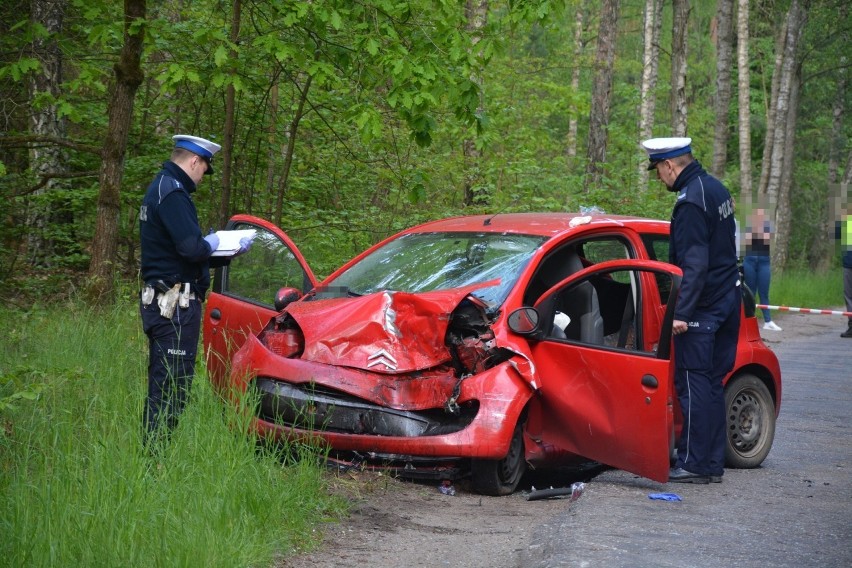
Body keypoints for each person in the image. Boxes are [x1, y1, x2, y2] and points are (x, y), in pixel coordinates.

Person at [138, 134, 251, 449]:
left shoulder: (161, 188)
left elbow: (179, 255)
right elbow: (190, 248)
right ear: (193, 162)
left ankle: (157, 453)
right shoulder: (172, 193)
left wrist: (223, 253)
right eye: (203, 169)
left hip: (165, 297)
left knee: (170, 379)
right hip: (173, 301)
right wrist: (211, 243)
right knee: (172, 384)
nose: (202, 178)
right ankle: (156, 458)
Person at [642, 136, 740, 485]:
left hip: (703, 309)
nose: (659, 178)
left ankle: (695, 464)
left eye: (658, 171)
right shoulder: (715, 189)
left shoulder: (689, 203)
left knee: (693, 384)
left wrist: (681, 312)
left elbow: (695, 263)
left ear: (670, 165)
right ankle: (710, 463)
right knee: (711, 384)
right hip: (727, 301)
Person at [743, 206, 782, 331]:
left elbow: (769, 239)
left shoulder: (767, 229)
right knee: (750, 293)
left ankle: (768, 321)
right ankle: (749, 321)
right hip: (749, 261)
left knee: (764, 293)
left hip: (764, 262)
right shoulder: (748, 229)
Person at [837, 206, 852, 338]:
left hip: (849, 262)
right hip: (848, 263)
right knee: (848, 296)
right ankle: (851, 326)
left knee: (849, 296)